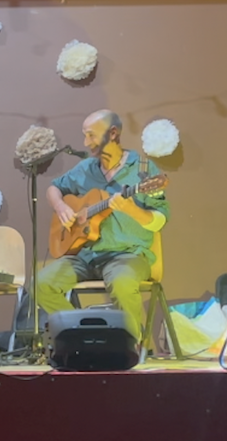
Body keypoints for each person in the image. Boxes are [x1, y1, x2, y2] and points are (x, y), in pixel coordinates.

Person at [36, 109, 170, 343]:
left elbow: (159, 219)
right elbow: (53, 188)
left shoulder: (144, 170)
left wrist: (132, 210)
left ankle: (132, 348)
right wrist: (61, 207)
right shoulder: (86, 168)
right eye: (84, 135)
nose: (86, 142)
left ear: (113, 133)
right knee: (41, 283)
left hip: (128, 254)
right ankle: (81, 337)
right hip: (86, 255)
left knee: (121, 282)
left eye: (91, 135)